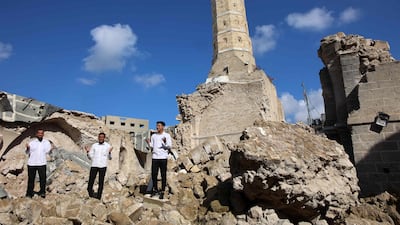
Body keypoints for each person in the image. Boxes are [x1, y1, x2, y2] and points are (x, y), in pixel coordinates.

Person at [146, 121, 172, 199]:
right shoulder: (154, 136)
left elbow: (169, 146)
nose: (157, 127)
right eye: (157, 126)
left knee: (163, 174)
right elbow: (152, 146)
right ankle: (155, 190)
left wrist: (164, 142)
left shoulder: (167, 136)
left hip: (163, 157)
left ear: (163, 127)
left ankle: (163, 191)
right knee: (154, 174)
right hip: (155, 157)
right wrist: (148, 142)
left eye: (159, 126)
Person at [25, 128, 54, 198]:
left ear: (43, 134)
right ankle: (29, 193)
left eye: (41, 133)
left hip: (42, 163)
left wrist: (51, 149)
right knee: (31, 179)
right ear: (36, 134)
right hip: (32, 163)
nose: (40, 134)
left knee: (43, 179)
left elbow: (48, 152)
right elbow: (27, 152)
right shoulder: (32, 143)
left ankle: (42, 192)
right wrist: (28, 148)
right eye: (39, 133)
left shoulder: (46, 142)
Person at [85, 132, 113, 200]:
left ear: (104, 138)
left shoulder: (108, 146)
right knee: (91, 180)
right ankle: (89, 194)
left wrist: (109, 152)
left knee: (101, 182)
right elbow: (90, 157)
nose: (101, 138)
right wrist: (88, 152)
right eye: (100, 137)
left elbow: (110, 158)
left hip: (103, 166)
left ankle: (98, 197)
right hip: (94, 165)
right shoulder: (94, 145)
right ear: (98, 138)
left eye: (102, 137)